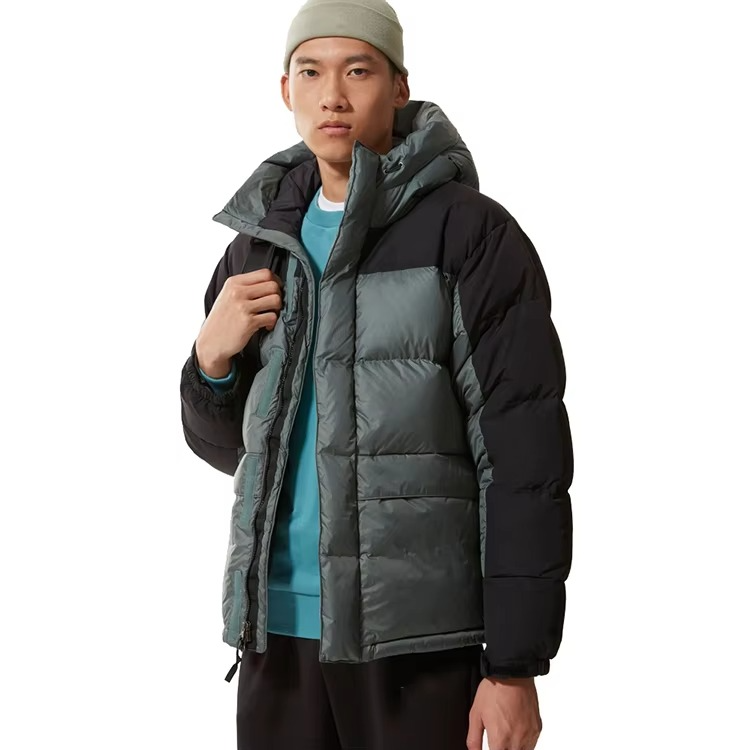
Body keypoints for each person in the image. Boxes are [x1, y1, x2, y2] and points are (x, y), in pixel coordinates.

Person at [179, 0, 574, 748]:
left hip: (416, 642)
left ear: (398, 88)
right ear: (286, 90)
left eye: (357, 71)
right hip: (276, 633)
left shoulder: (470, 235)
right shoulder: (259, 246)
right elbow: (230, 451)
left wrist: (514, 667)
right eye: (311, 73)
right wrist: (212, 362)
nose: (332, 95)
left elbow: (525, 461)